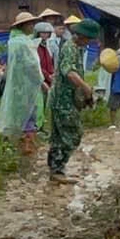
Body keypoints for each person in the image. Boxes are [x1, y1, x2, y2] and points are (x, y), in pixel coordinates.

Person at [47, 18, 99, 184]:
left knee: (59, 136)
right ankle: (57, 168)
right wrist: (85, 88)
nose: (89, 42)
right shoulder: (70, 48)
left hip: (64, 99)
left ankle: (56, 170)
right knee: (73, 134)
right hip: (63, 101)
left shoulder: (76, 48)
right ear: (82, 36)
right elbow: (68, 72)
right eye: (89, 39)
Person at [0, 11, 44, 156]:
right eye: (30, 23)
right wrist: (40, 80)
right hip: (27, 85)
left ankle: (14, 143)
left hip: (17, 85)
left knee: (17, 113)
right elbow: (32, 65)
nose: (32, 26)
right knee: (28, 113)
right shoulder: (23, 43)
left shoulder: (14, 41)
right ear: (24, 25)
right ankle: (26, 144)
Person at [32, 21, 57, 89]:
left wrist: (52, 73)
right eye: (43, 33)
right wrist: (47, 75)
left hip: (49, 76)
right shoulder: (35, 45)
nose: (45, 35)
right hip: (40, 78)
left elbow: (50, 61)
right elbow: (37, 64)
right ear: (37, 33)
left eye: (47, 33)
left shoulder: (46, 44)